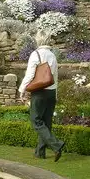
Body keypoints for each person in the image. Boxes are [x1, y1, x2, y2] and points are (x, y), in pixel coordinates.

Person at [18, 31, 65, 161]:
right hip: (51, 92)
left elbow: (30, 75)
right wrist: (55, 94)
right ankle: (40, 152)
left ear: (38, 41)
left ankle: (57, 145)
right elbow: (55, 77)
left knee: (36, 121)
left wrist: (22, 90)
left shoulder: (36, 54)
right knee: (46, 122)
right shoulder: (53, 56)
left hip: (39, 91)